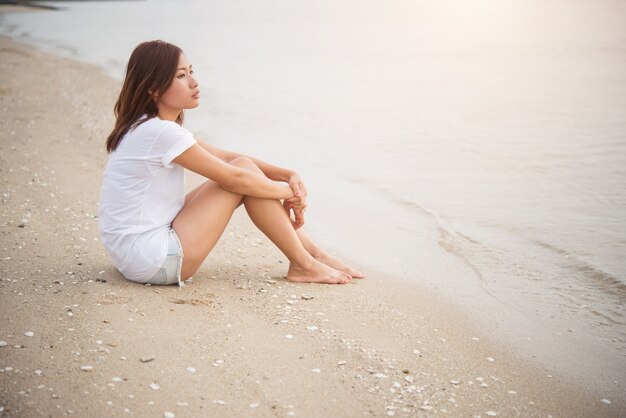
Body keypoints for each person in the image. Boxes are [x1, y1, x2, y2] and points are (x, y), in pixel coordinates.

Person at [99, 40, 364, 288]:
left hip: (137, 255)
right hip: (154, 260)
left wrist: (289, 175)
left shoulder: (149, 127)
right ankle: (304, 262)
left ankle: (311, 255)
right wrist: (290, 193)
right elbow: (235, 179)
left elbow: (227, 158)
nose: (194, 82)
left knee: (243, 167)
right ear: (154, 88)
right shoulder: (160, 133)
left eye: (191, 71)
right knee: (242, 177)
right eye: (181, 76)